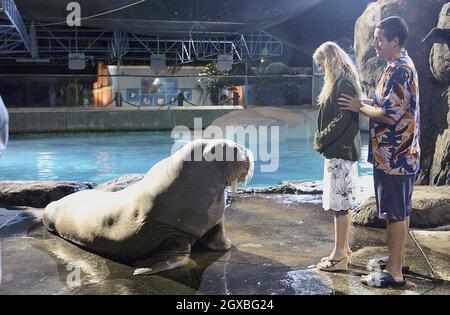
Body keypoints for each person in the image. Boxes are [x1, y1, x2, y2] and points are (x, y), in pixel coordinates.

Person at [339, 16, 420, 288]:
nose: (375, 43)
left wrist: (356, 107)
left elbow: (388, 115)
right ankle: (397, 258)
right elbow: (381, 102)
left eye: (380, 39)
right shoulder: (393, 66)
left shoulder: (400, 70)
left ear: (395, 41)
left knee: (396, 213)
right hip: (396, 154)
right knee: (401, 211)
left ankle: (395, 272)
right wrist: (364, 101)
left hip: (395, 156)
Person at [312, 42, 362, 272]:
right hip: (340, 152)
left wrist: (321, 138)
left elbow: (342, 120)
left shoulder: (343, 84)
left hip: (339, 152)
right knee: (343, 203)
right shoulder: (342, 82)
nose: (320, 69)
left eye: (321, 64)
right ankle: (345, 249)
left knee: (339, 206)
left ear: (331, 60)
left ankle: (339, 255)